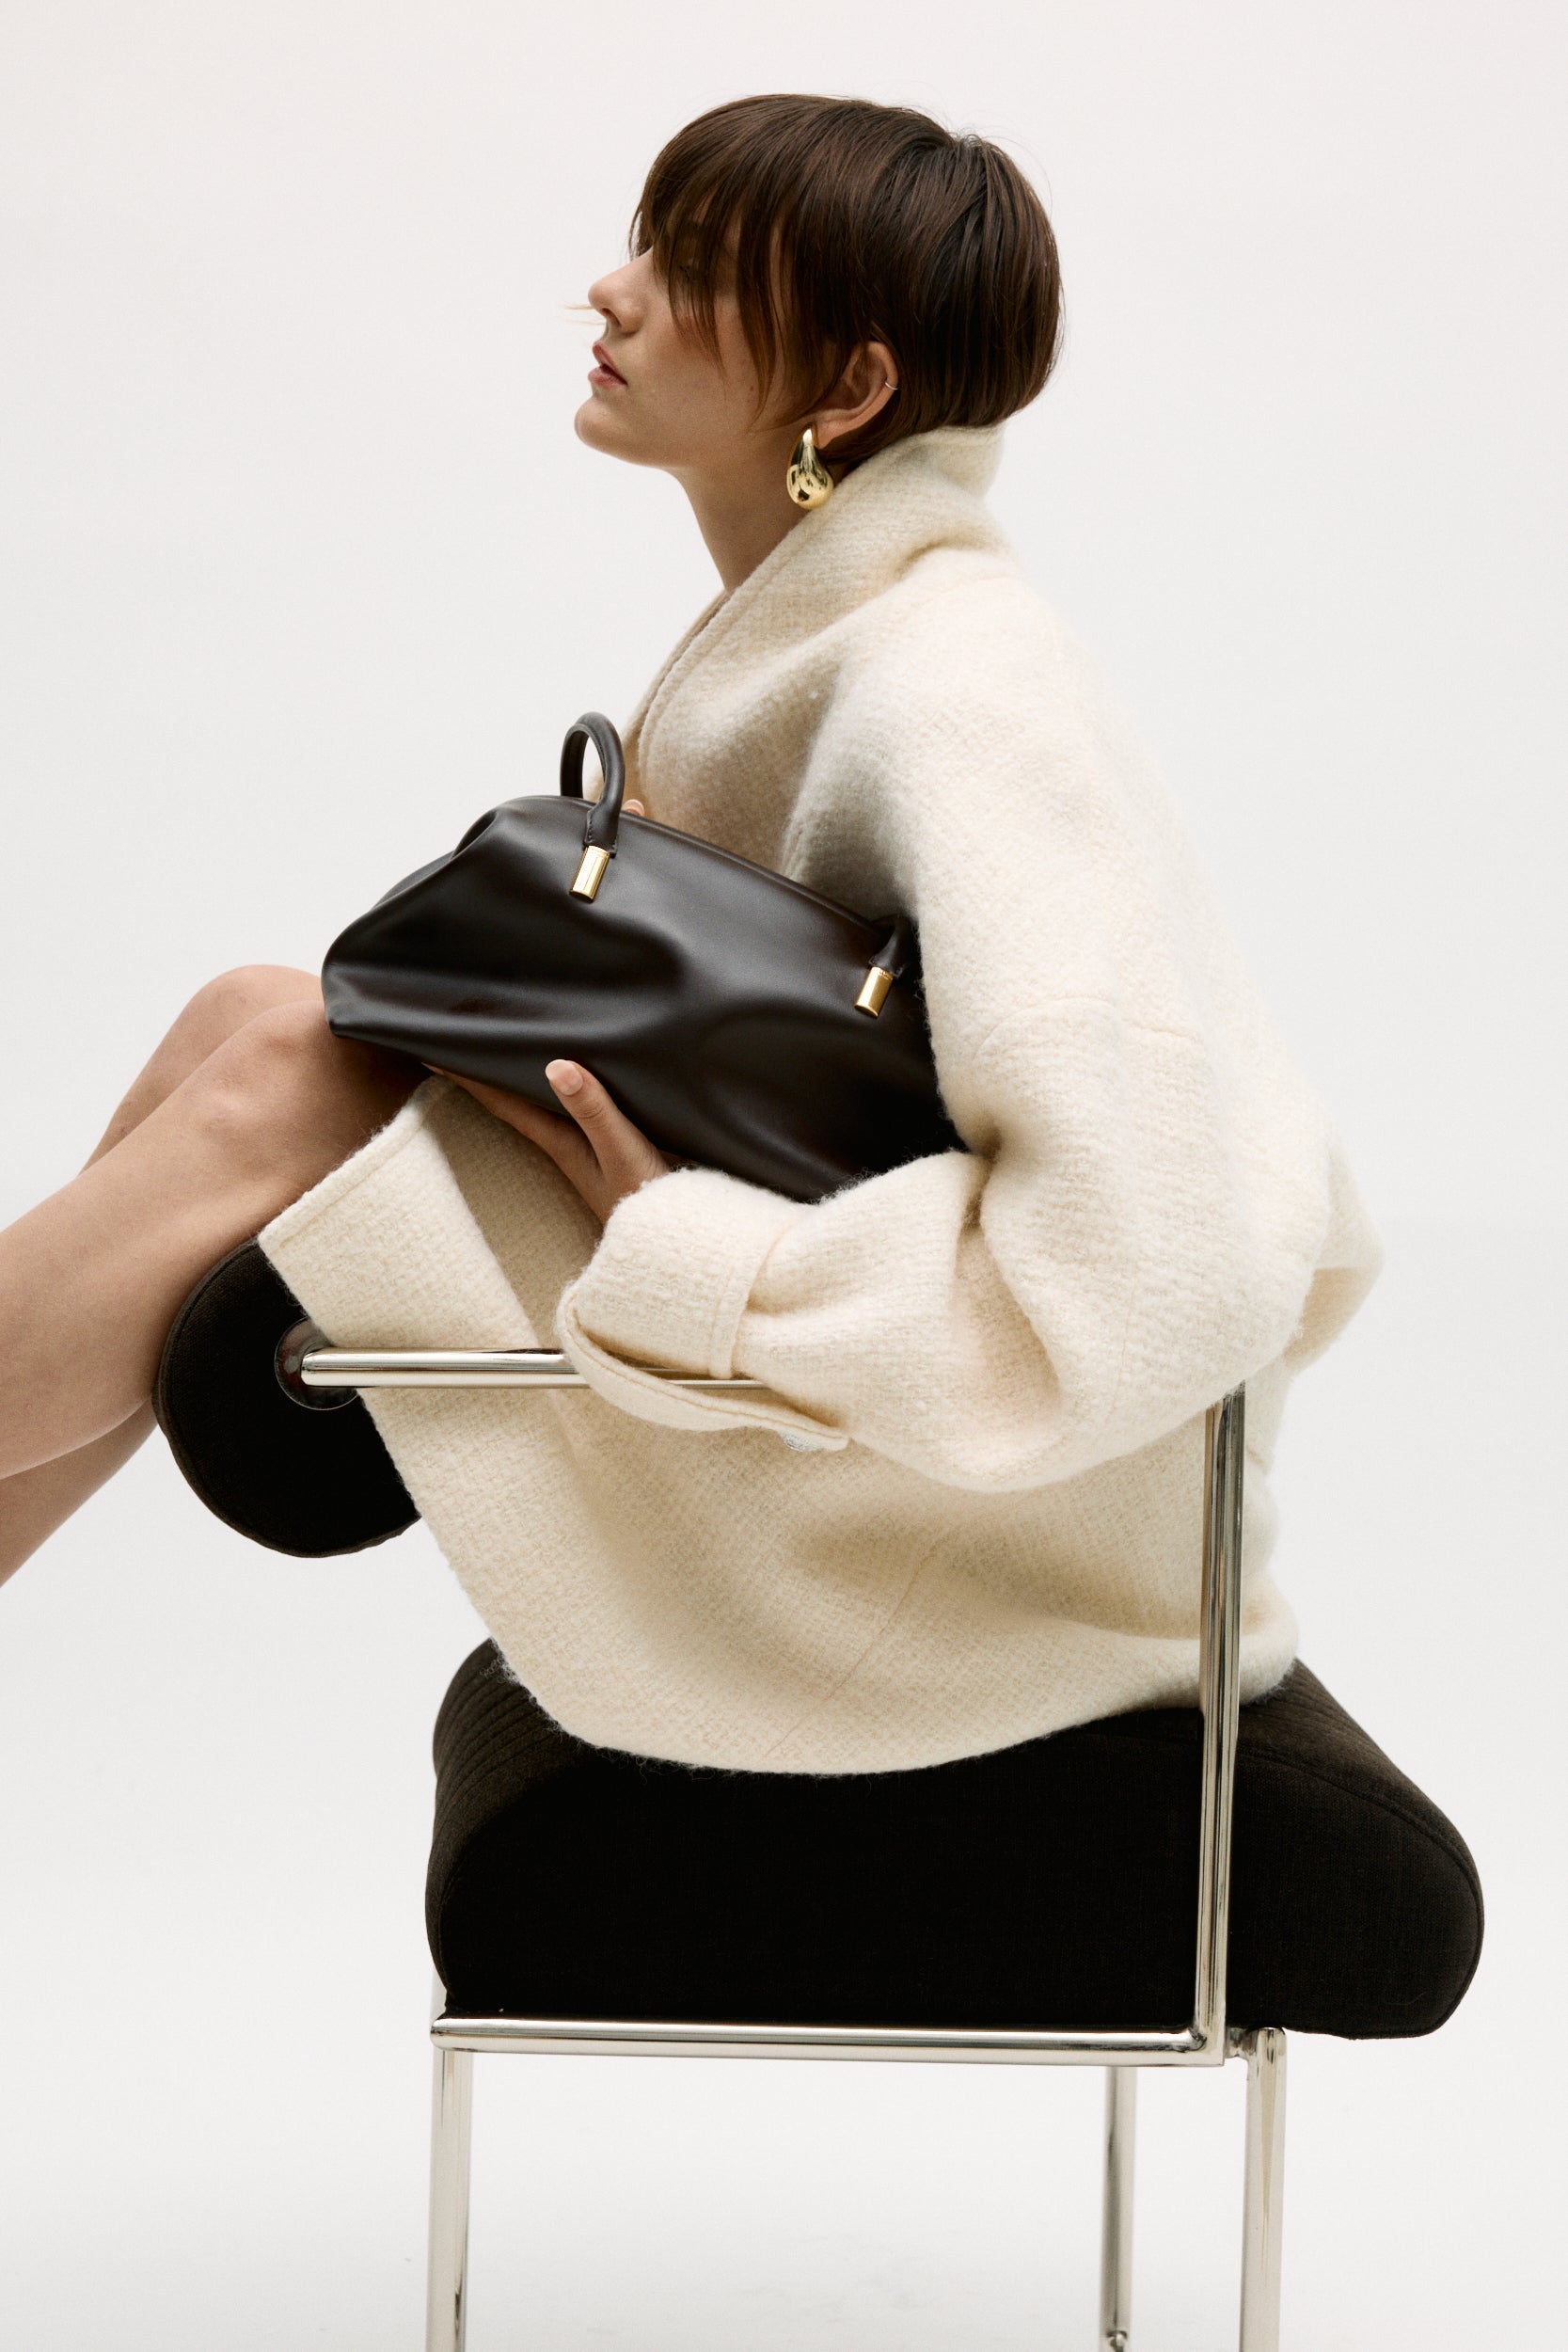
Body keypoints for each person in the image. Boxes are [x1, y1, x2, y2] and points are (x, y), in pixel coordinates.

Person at [0, 95, 1379, 1772]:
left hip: (970, 1552)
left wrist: (716, 1260)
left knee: (290, 1066)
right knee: (259, 1011)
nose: (611, 290)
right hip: (820, 1403)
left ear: (848, 390)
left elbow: (1151, 1267)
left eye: (695, 267)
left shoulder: (963, 688)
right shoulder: (828, 627)